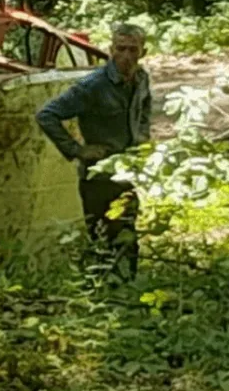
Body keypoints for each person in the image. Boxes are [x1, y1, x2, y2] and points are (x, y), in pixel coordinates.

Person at [35, 23, 152, 277]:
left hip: (127, 170)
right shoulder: (94, 85)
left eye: (133, 50)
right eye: (120, 49)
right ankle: (101, 290)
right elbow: (47, 115)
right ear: (111, 50)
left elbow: (144, 108)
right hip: (97, 178)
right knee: (101, 236)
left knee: (127, 231)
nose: (126, 56)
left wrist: (143, 138)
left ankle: (128, 285)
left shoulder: (141, 79)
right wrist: (77, 150)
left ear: (143, 51)